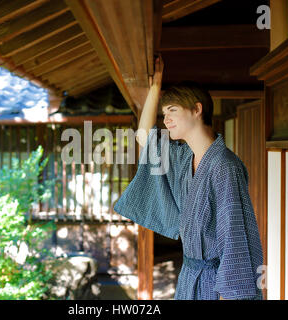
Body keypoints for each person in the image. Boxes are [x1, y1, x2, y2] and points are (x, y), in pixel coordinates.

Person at [113, 56, 264, 300]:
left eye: (172, 110)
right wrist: (155, 88)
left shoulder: (224, 166)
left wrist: (229, 295)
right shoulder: (184, 158)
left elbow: (234, 236)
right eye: (163, 114)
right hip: (189, 277)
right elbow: (144, 138)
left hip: (216, 286)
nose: (166, 120)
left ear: (197, 109)